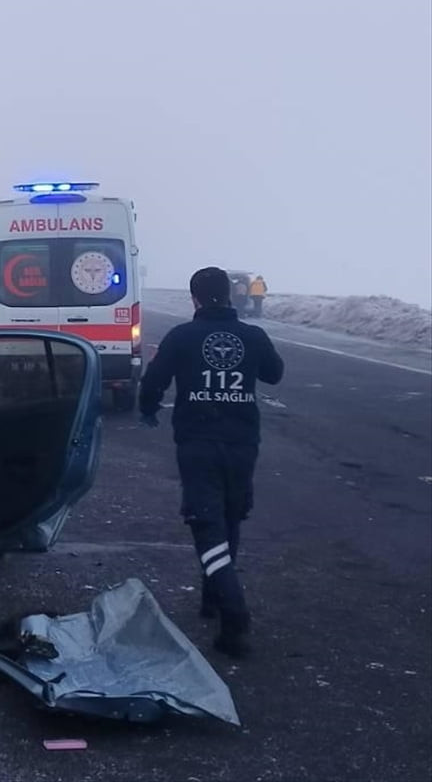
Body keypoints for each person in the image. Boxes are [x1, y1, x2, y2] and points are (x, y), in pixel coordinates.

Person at [138, 267, 284, 658]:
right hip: (242, 443)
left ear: (195, 298)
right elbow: (274, 374)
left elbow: (154, 380)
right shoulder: (253, 336)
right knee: (230, 517)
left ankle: (234, 614)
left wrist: (148, 408)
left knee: (206, 524)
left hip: (198, 442)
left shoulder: (182, 336)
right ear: (231, 296)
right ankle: (212, 597)